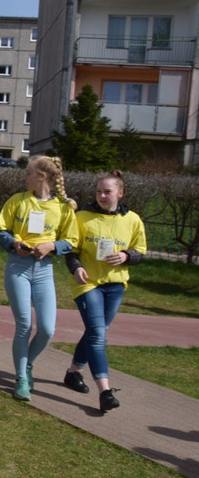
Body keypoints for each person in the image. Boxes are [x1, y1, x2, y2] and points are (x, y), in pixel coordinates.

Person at [0, 155, 78, 401]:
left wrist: (51, 245)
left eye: (28, 172)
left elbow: (72, 240)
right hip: (17, 268)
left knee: (48, 329)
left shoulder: (63, 207)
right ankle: (21, 379)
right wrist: (13, 243)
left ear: (42, 176)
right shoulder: (17, 201)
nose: (24, 176)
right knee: (24, 325)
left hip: (43, 270)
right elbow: (0, 230)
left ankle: (27, 363)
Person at [61, 170, 146, 413]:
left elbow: (140, 251)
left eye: (107, 192)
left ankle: (73, 372)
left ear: (120, 193)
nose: (102, 196)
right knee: (98, 335)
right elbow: (70, 250)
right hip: (88, 284)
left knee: (95, 331)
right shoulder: (82, 217)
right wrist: (76, 268)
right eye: (98, 191)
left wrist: (126, 255)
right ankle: (105, 392)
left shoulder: (132, 220)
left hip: (116, 285)